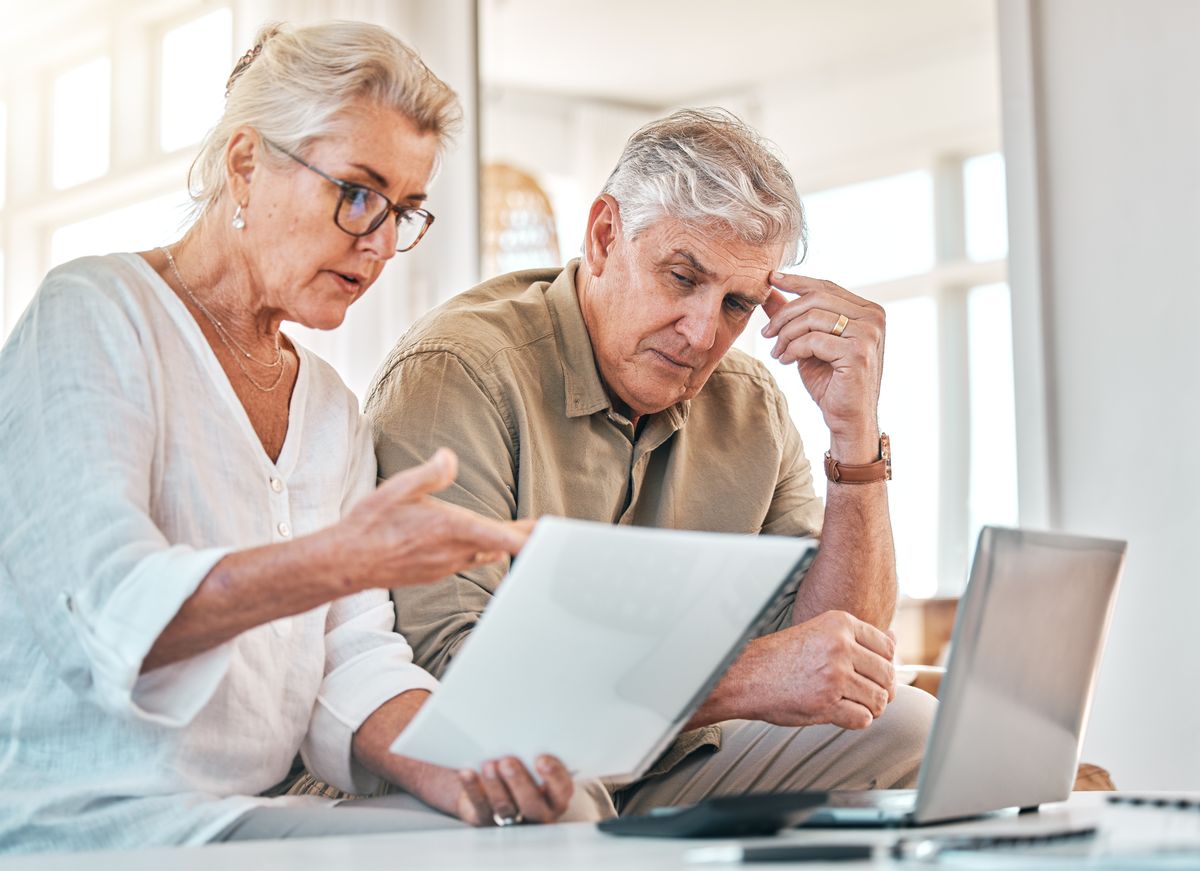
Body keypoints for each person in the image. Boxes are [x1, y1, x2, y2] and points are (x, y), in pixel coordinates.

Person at [0, 21, 582, 855]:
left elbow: (352, 658)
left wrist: (470, 763)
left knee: (557, 827)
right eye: (356, 192)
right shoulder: (93, 313)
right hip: (84, 821)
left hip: (242, 819)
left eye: (404, 212)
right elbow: (109, 610)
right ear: (246, 164)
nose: (379, 243)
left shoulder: (329, 408)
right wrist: (345, 556)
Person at [366, 108, 937, 821]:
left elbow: (840, 661)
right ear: (605, 236)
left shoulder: (750, 404)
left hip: (666, 754)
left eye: (736, 303)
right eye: (681, 277)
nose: (703, 333)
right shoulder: (461, 372)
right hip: (493, 767)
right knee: (561, 800)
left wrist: (855, 435)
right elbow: (454, 688)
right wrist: (736, 678)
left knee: (910, 728)